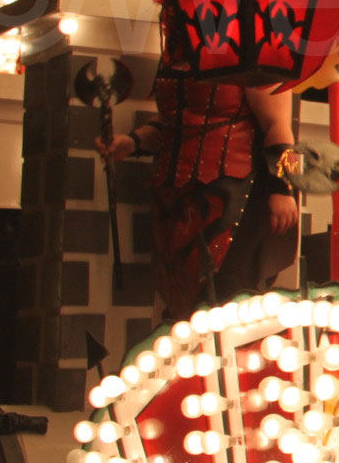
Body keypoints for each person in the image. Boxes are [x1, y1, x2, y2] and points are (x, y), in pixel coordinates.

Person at [104, 66, 299, 319]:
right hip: (172, 198)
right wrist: (133, 142)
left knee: (226, 298)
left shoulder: (255, 52)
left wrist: (283, 187)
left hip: (234, 195)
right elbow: (175, 120)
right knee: (180, 298)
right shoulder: (174, 54)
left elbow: (279, 126)